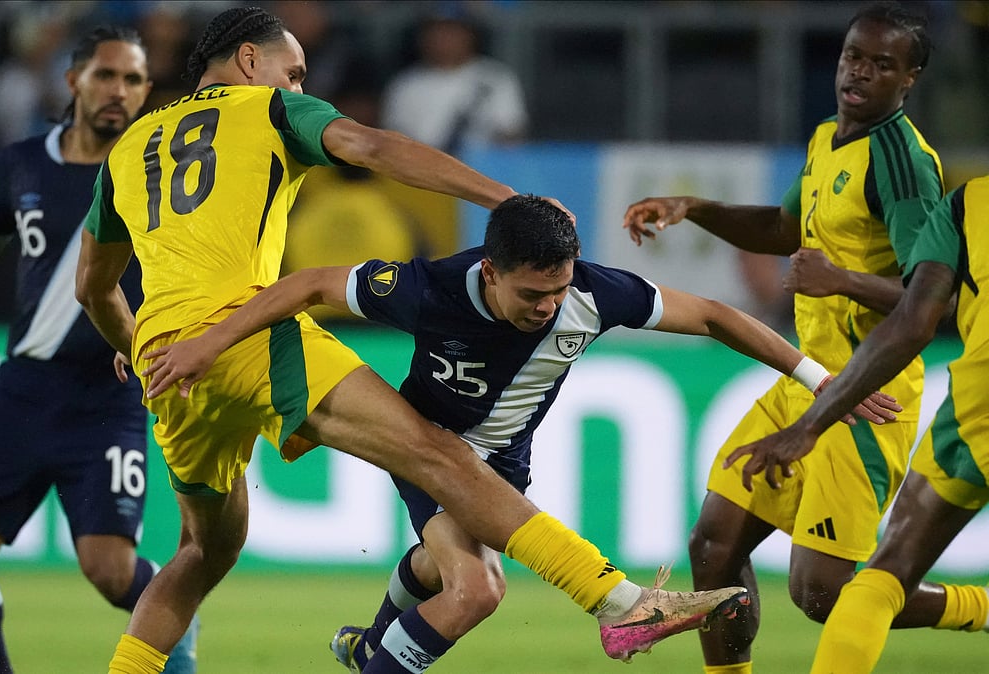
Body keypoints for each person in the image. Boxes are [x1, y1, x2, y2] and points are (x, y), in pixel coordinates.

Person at [74, 7, 752, 673]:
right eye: (295, 71)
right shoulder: (270, 110)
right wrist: (508, 203)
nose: (301, 88)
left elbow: (93, 288)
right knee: (439, 454)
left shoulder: (128, 149)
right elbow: (373, 147)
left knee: (200, 552)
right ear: (251, 61)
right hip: (246, 332)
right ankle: (618, 601)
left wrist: (136, 345)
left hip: (170, 360)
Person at [137, 194, 896, 673]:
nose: (548, 307)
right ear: (492, 271)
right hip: (429, 450)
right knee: (477, 590)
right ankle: (390, 662)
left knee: (438, 575)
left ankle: (369, 648)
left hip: (507, 466)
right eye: (532, 294)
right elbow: (306, 284)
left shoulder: (594, 293)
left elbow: (714, 316)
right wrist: (207, 345)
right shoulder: (427, 290)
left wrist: (818, 379)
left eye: (559, 289)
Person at [621, 3, 988, 672]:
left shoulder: (903, 164)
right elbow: (784, 230)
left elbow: (928, 305)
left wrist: (841, 279)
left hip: (868, 395)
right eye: (854, 57)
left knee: (822, 595)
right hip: (805, 376)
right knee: (713, 545)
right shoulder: (827, 138)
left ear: (910, 79)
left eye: (882, 65)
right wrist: (695, 209)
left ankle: (979, 608)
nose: (860, 74)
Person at [0, 26, 198, 674]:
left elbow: (193, 265)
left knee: (109, 570)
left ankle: (179, 643)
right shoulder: (21, 163)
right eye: (107, 76)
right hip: (24, 391)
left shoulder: (156, 174)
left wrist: (156, 333)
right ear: (72, 81)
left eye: (134, 80)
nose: (120, 92)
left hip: (108, 395)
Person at [726, 174, 989, 673]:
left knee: (879, 578)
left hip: (977, 407)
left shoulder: (966, 202)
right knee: (720, 545)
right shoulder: (832, 145)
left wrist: (809, 426)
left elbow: (917, 319)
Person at [381, 12, 527, 155]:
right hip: (420, 168)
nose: (443, 39)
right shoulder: (405, 84)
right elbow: (393, 140)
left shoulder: (495, 77)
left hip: (482, 168)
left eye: (451, 32)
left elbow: (511, 132)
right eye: (436, 32)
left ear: (469, 35)